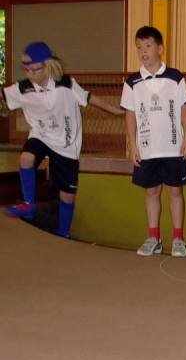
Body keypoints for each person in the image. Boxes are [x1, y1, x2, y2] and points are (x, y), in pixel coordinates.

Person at [2, 41, 122, 237]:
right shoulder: (23, 88)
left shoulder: (66, 84)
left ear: (47, 66)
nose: (30, 74)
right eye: (27, 70)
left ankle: (63, 232)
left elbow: (90, 98)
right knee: (26, 158)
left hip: (66, 143)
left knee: (67, 195)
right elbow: (3, 95)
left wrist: (115, 111)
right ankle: (29, 205)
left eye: (35, 70)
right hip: (41, 136)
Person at [120, 26, 186, 258]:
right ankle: (154, 238)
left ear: (160, 49)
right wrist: (133, 146)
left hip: (172, 147)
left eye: (148, 46)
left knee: (175, 191)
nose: (143, 51)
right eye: (139, 47)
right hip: (147, 149)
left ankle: (178, 239)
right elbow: (130, 115)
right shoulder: (132, 82)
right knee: (151, 191)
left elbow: (184, 111)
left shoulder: (175, 77)